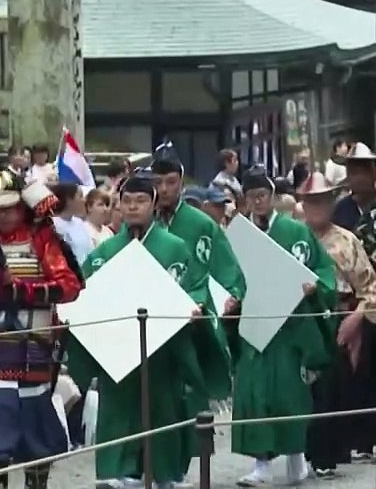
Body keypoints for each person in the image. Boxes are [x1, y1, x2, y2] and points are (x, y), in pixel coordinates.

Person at [66, 172, 220, 489]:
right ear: (119, 206)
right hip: (118, 347)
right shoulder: (104, 253)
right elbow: (84, 293)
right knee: (118, 407)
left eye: (141, 201)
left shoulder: (175, 248)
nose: (133, 208)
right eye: (127, 202)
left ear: (153, 205)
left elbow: (196, 288)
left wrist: (195, 308)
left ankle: (167, 474)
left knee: (164, 406)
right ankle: (116, 471)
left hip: (164, 347)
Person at [0, 170, 83, 489]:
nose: (5, 215)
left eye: (10, 207)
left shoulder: (43, 238)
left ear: (22, 206)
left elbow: (70, 285)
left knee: (35, 430)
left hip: (33, 345)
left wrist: (22, 289)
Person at [231, 168, 337, 487]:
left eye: (262, 195)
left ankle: (297, 456)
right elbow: (230, 275)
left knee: (290, 393)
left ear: (273, 197)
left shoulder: (295, 231)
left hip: (291, 326)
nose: (257, 202)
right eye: (250, 198)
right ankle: (261, 463)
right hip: (256, 323)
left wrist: (313, 286)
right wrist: (233, 297)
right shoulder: (239, 236)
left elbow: (321, 269)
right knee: (254, 393)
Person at [151, 143, 245, 415]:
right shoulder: (143, 225)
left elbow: (227, 269)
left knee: (191, 407)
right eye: (158, 182)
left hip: (193, 319)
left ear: (181, 182)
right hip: (150, 321)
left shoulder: (201, 224)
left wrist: (231, 296)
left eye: (171, 182)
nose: (165, 189)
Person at [297, 172, 376, 478]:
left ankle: (327, 455)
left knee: (332, 389)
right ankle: (296, 453)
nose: (317, 207)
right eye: (310, 201)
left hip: (340, 316)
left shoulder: (347, 240)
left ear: (331, 203)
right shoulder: (294, 237)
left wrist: (357, 318)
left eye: (322, 201)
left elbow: (370, 287)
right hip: (301, 319)